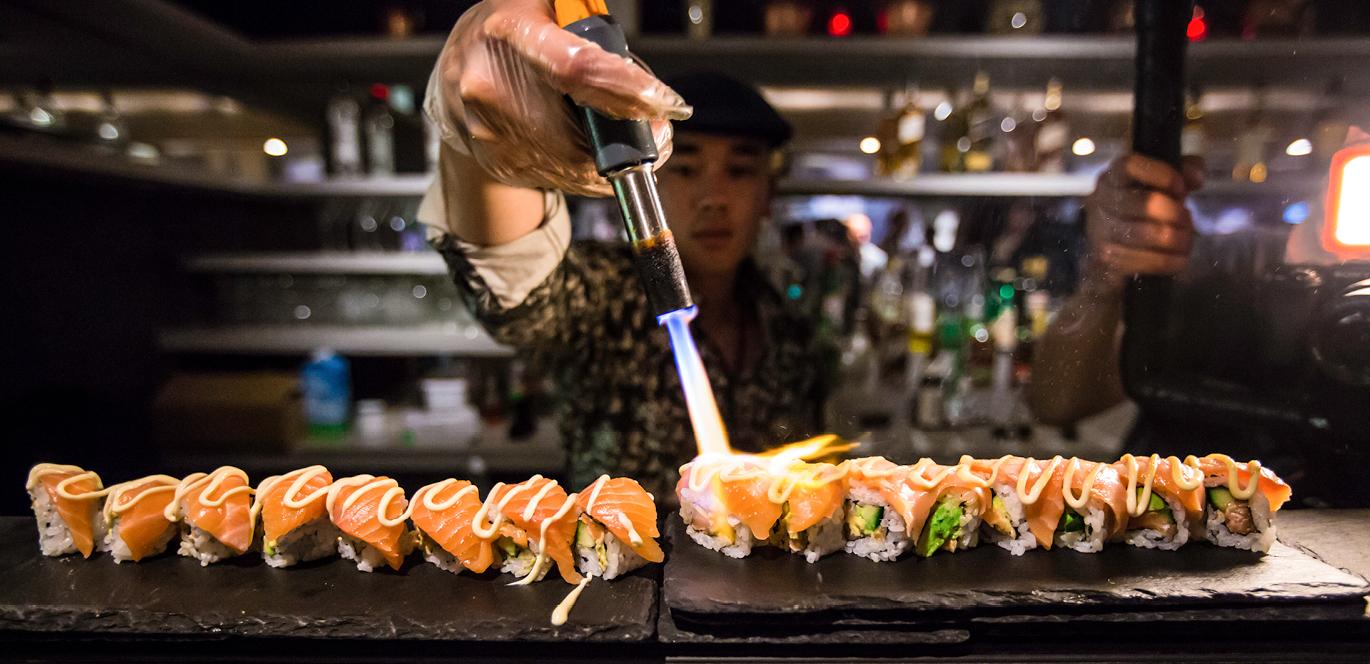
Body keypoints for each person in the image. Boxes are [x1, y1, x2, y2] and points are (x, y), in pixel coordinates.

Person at [419, 1, 824, 497]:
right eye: (686, 167)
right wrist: (484, 142)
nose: (714, 200)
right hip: (621, 569)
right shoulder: (601, 298)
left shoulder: (790, 328)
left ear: (768, 194)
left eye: (739, 171)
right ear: (649, 163)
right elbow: (515, 286)